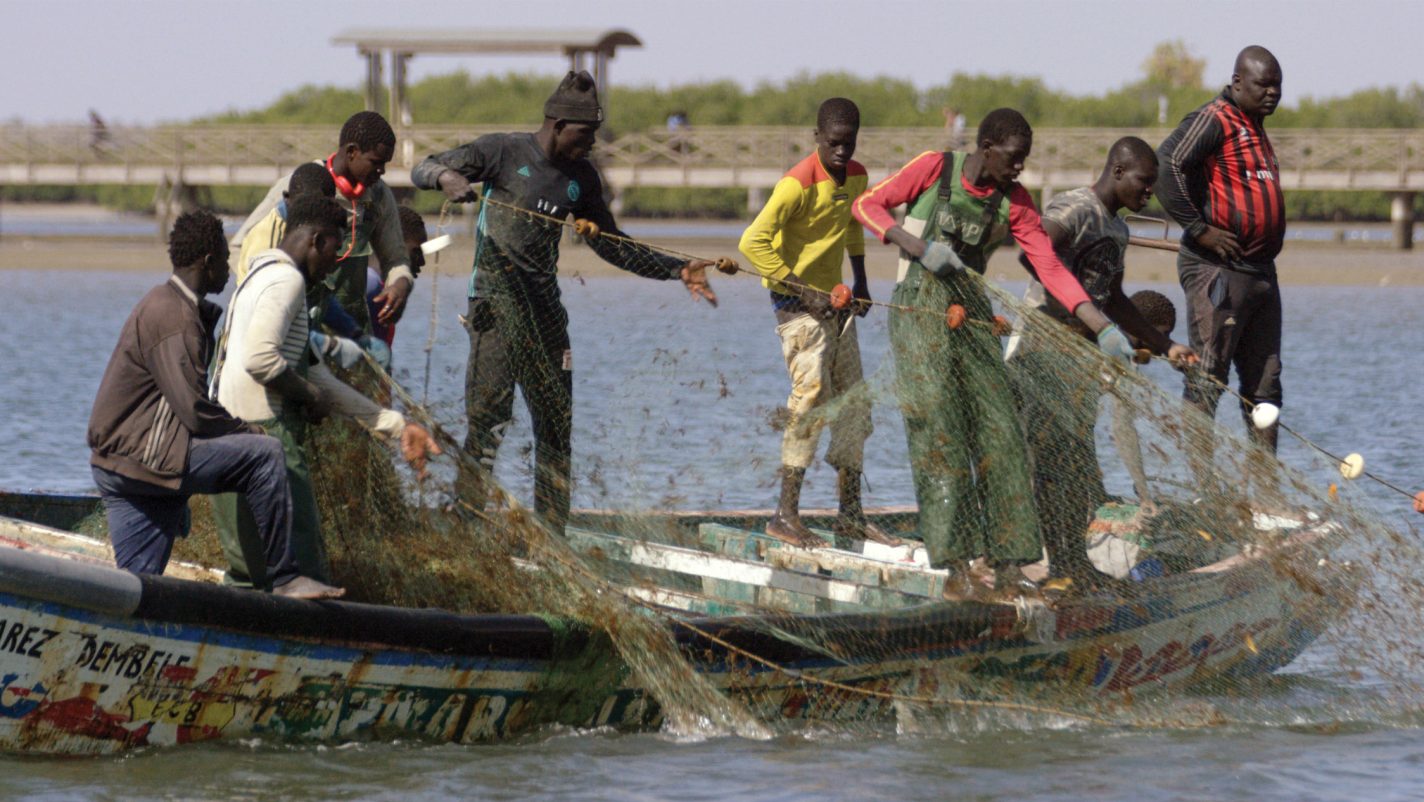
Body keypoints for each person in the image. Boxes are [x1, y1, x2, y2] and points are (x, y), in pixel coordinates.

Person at [411, 70, 723, 533]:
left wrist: (675, 269)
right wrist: (448, 178)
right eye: (586, 134)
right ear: (558, 124)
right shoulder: (503, 151)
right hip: (494, 308)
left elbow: (611, 243)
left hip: (546, 315)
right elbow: (423, 167)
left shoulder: (582, 177)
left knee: (556, 429)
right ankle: (466, 526)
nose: (592, 143)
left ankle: (552, 534)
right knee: (489, 425)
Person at [852, 107, 1133, 597]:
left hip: (973, 312)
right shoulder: (934, 168)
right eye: (1013, 157)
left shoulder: (1016, 201)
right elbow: (866, 206)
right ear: (985, 149)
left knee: (1001, 432)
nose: (1019, 167)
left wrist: (1101, 325)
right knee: (940, 433)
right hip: (919, 311)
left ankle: (1008, 566)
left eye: (1024, 159)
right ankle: (956, 566)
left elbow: (1049, 266)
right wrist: (916, 247)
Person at [87, 210, 342, 599]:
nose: (228, 268)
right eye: (224, 259)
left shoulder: (168, 304)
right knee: (264, 453)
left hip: (118, 465)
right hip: (143, 461)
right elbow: (194, 410)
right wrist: (246, 430)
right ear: (207, 263)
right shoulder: (172, 313)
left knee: (140, 589)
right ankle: (287, 577)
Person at [210, 195, 441, 588]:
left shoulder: (258, 273)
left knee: (250, 572)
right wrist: (307, 397)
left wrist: (395, 424)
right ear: (316, 240)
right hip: (269, 437)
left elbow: (318, 375)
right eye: (336, 249)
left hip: (230, 436)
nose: (336, 264)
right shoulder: (286, 281)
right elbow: (261, 360)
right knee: (306, 571)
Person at [1010, 137, 1196, 583]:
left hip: (1079, 361)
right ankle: (1023, 558)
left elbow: (1112, 297)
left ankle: (1071, 561)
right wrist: (1082, 315)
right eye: (1143, 183)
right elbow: (1032, 254)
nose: (1148, 193)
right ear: (1117, 171)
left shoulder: (1118, 229)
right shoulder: (1076, 210)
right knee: (1044, 458)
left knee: (1073, 460)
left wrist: (1165, 344)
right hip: (1041, 347)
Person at [738, 97, 895, 549]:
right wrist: (799, 287)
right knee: (810, 400)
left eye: (849, 143)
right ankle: (784, 515)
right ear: (817, 138)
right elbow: (752, 242)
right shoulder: (796, 184)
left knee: (853, 404)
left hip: (837, 305)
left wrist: (861, 279)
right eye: (833, 144)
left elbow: (848, 224)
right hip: (797, 307)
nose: (842, 153)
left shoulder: (858, 176)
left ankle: (850, 515)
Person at [1156, 46, 1285, 457]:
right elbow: (1166, 165)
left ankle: (1265, 493)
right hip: (1218, 270)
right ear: (1237, 83)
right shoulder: (1215, 119)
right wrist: (1200, 229)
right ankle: (1201, 493)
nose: (1272, 93)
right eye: (1263, 85)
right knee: (1208, 377)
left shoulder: (1256, 127)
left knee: (1265, 385)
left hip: (1261, 272)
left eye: (1277, 86)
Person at [231, 111, 416, 336]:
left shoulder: (378, 196)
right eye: (376, 163)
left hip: (350, 328)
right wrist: (266, 299)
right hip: (299, 325)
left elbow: (396, 258)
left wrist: (401, 283)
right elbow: (238, 248)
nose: (382, 171)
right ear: (351, 152)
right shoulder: (300, 185)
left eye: (385, 164)